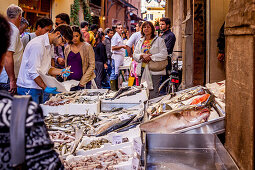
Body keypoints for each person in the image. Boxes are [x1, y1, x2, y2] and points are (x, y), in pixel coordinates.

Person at [0, 14, 64, 170]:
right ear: (3, 57)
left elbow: (45, 68)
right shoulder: (21, 112)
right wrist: (45, 87)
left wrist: (60, 72)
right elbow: (48, 165)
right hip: (29, 87)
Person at [17, 25, 73, 104]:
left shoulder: (50, 45)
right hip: (28, 87)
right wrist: (45, 87)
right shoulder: (38, 44)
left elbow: (47, 69)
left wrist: (62, 71)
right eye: (63, 41)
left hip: (38, 86)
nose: (62, 45)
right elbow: (33, 72)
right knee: (30, 115)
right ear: (57, 33)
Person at [133, 21, 168, 99]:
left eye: (148, 27)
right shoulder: (140, 41)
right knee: (142, 94)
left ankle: (152, 110)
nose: (146, 29)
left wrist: (151, 57)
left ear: (152, 29)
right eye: (144, 27)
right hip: (141, 70)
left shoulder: (159, 40)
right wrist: (142, 56)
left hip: (154, 71)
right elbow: (135, 55)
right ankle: (144, 110)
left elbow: (164, 54)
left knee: (153, 94)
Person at [0, 4, 23, 94]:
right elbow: (8, 55)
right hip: (6, 79)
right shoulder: (13, 30)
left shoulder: (4, 28)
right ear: (20, 17)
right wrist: (12, 80)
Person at [64, 26, 96, 91]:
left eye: (76, 36)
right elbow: (66, 64)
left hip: (84, 82)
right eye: (72, 36)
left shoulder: (87, 47)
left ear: (80, 36)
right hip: (70, 82)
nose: (75, 38)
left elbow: (92, 65)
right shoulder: (67, 48)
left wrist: (83, 81)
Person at [159, 17, 176, 94]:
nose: (161, 26)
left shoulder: (170, 35)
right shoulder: (162, 35)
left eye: (163, 24)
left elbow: (167, 49)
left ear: (168, 25)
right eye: (160, 24)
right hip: (160, 60)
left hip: (165, 60)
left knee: (163, 80)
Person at [110, 23, 126, 91]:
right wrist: (122, 46)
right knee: (114, 73)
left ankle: (116, 88)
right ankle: (113, 89)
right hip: (116, 57)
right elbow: (113, 47)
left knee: (117, 73)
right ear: (116, 29)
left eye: (121, 28)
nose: (120, 29)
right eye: (119, 28)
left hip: (120, 57)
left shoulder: (120, 36)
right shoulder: (115, 36)